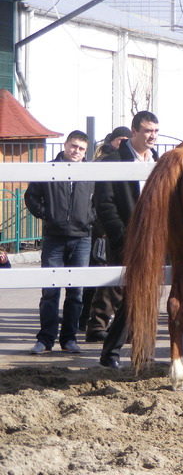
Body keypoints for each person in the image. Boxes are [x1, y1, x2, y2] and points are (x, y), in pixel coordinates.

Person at [96, 111, 160, 369]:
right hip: (126, 240)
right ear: (133, 132)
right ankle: (115, 351)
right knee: (135, 294)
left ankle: (131, 352)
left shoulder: (159, 162)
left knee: (145, 295)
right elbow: (105, 204)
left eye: (155, 131)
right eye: (147, 131)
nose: (152, 136)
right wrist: (122, 237)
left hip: (155, 240)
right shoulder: (113, 161)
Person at [24, 130, 95, 355]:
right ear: (65, 145)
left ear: (86, 152)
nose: (76, 151)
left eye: (81, 148)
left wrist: (88, 219)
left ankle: (69, 339)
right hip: (54, 238)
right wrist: (48, 215)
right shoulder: (49, 169)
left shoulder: (91, 172)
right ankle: (45, 339)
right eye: (73, 146)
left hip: (82, 238)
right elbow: (31, 196)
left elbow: (102, 201)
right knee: (50, 292)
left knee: (76, 292)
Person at [80, 126, 134, 340]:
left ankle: (117, 327)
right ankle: (95, 324)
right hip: (106, 229)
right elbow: (100, 199)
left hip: (118, 227)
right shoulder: (107, 162)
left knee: (121, 281)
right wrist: (105, 229)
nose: (124, 143)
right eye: (121, 140)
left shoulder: (144, 159)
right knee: (109, 280)